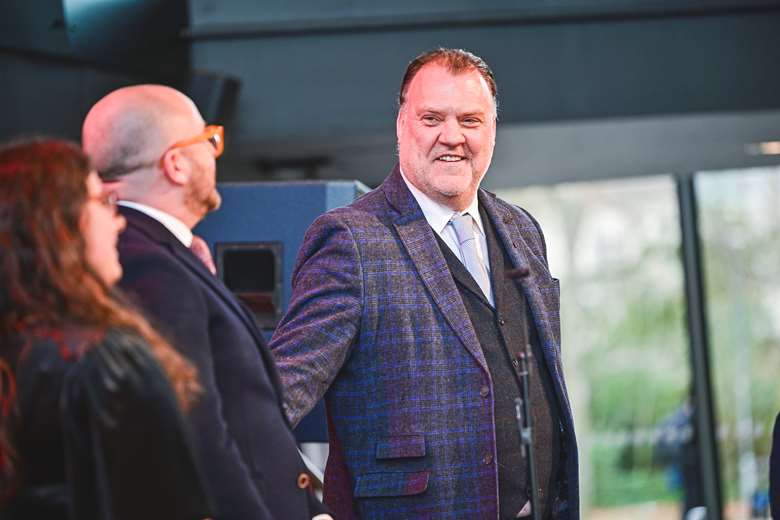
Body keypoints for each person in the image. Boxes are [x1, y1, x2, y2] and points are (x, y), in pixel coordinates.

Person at [269, 48, 579, 519]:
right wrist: (303, 511)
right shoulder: (349, 240)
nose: (451, 137)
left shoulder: (522, 229)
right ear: (401, 126)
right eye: (432, 117)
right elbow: (270, 402)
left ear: (492, 129)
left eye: (470, 120)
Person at [81, 85, 331, 520]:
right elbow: (196, 429)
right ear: (176, 164)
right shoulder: (146, 266)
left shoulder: (160, 256)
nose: (214, 154)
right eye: (208, 139)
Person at [0, 139, 213, 519]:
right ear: (61, 225)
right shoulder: (106, 359)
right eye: (101, 201)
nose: (118, 221)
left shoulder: (17, 347)